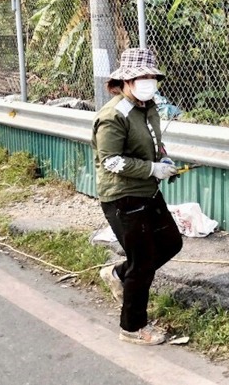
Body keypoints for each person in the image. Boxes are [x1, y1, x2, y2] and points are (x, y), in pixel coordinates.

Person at [93, 47, 182, 346]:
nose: (147, 82)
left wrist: (163, 160)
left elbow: (154, 142)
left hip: (147, 190)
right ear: (125, 82)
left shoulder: (149, 107)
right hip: (123, 196)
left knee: (171, 242)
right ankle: (132, 327)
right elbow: (111, 162)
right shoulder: (112, 116)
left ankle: (119, 275)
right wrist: (152, 169)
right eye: (140, 77)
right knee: (143, 263)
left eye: (151, 76)